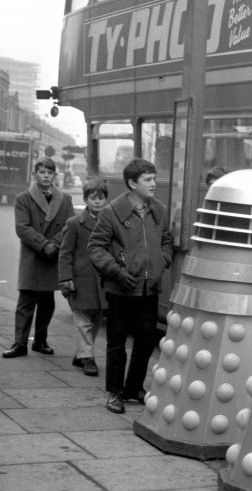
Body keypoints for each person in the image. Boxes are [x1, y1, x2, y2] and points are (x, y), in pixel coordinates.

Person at [88, 158, 172, 413]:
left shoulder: (159, 209)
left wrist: (161, 262)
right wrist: (117, 272)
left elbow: (166, 241)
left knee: (145, 342)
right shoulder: (111, 212)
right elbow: (96, 247)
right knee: (117, 343)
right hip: (121, 289)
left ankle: (133, 388)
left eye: (154, 178)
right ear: (132, 183)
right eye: (148, 180)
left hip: (149, 288)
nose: (154, 184)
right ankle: (114, 392)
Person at [3, 158, 74, 359]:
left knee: (46, 301)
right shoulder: (23, 198)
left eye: (50, 173)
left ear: (54, 175)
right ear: (35, 174)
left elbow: (70, 225)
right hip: (33, 255)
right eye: (42, 172)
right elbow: (22, 228)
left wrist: (55, 244)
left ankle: (40, 340)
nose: (46, 176)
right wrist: (44, 245)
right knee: (25, 302)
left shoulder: (65, 199)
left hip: (52, 256)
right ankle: (20, 343)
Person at [58, 178, 109, 376]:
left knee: (96, 321)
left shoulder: (110, 222)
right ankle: (88, 358)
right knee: (83, 321)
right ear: (86, 199)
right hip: (80, 281)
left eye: (101, 197)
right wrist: (65, 278)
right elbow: (65, 253)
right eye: (93, 197)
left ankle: (81, 353)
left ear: (106, 200)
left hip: (102, 282)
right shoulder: (74, 223)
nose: (97, 201)